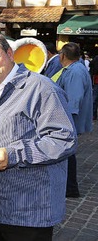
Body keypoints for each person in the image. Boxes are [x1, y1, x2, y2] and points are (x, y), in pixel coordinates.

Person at [0, 31, 75, 241]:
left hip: (27, 210)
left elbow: (64, 139)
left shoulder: (41, 88)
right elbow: (5, 119)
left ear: (10, 54)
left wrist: (13, 154)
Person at [54, 42, 92, 198]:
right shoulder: (76, 68)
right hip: (69, 119)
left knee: (67, 154)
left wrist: (64, 121)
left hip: (68, 120)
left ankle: (70, 188)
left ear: (62, 55)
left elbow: (74, 101)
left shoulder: (75, 72)